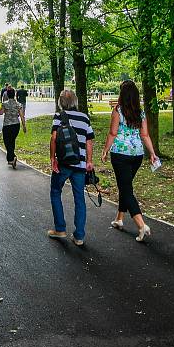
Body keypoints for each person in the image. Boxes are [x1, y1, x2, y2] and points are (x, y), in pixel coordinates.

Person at [100, 80, 158, 242]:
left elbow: (112, 133)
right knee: (125, 186)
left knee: (126, 189)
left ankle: (141, 225)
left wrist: (105, 150)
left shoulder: (118, 110)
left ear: (122, 95)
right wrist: (152, 153)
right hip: (137, 155)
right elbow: (145, 135)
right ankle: (119, 218)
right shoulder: (140, 112)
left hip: (120, 155)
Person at [48, 89, 95, 246]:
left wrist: (52, 158)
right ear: (75, 101)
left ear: (61, 102)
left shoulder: (58, 116)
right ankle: (79, 236)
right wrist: (89, 161)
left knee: (55, 191)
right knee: (79, 198)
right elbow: (89, 141)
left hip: (63, 163)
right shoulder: (85, 118)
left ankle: (60, 229)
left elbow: (54, 138)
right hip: (80, 164)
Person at [0, 87, 26, 169]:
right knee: (12, 141)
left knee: (7, 142)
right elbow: (22, 116)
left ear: (7, 95)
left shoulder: (5, 104)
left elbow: (0, 113)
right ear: (14, 95)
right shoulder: (18, 104)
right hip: (16, 125)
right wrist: (24, 126)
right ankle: (11, 159)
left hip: (7, 125)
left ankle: (12, 157)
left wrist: (4, 111)